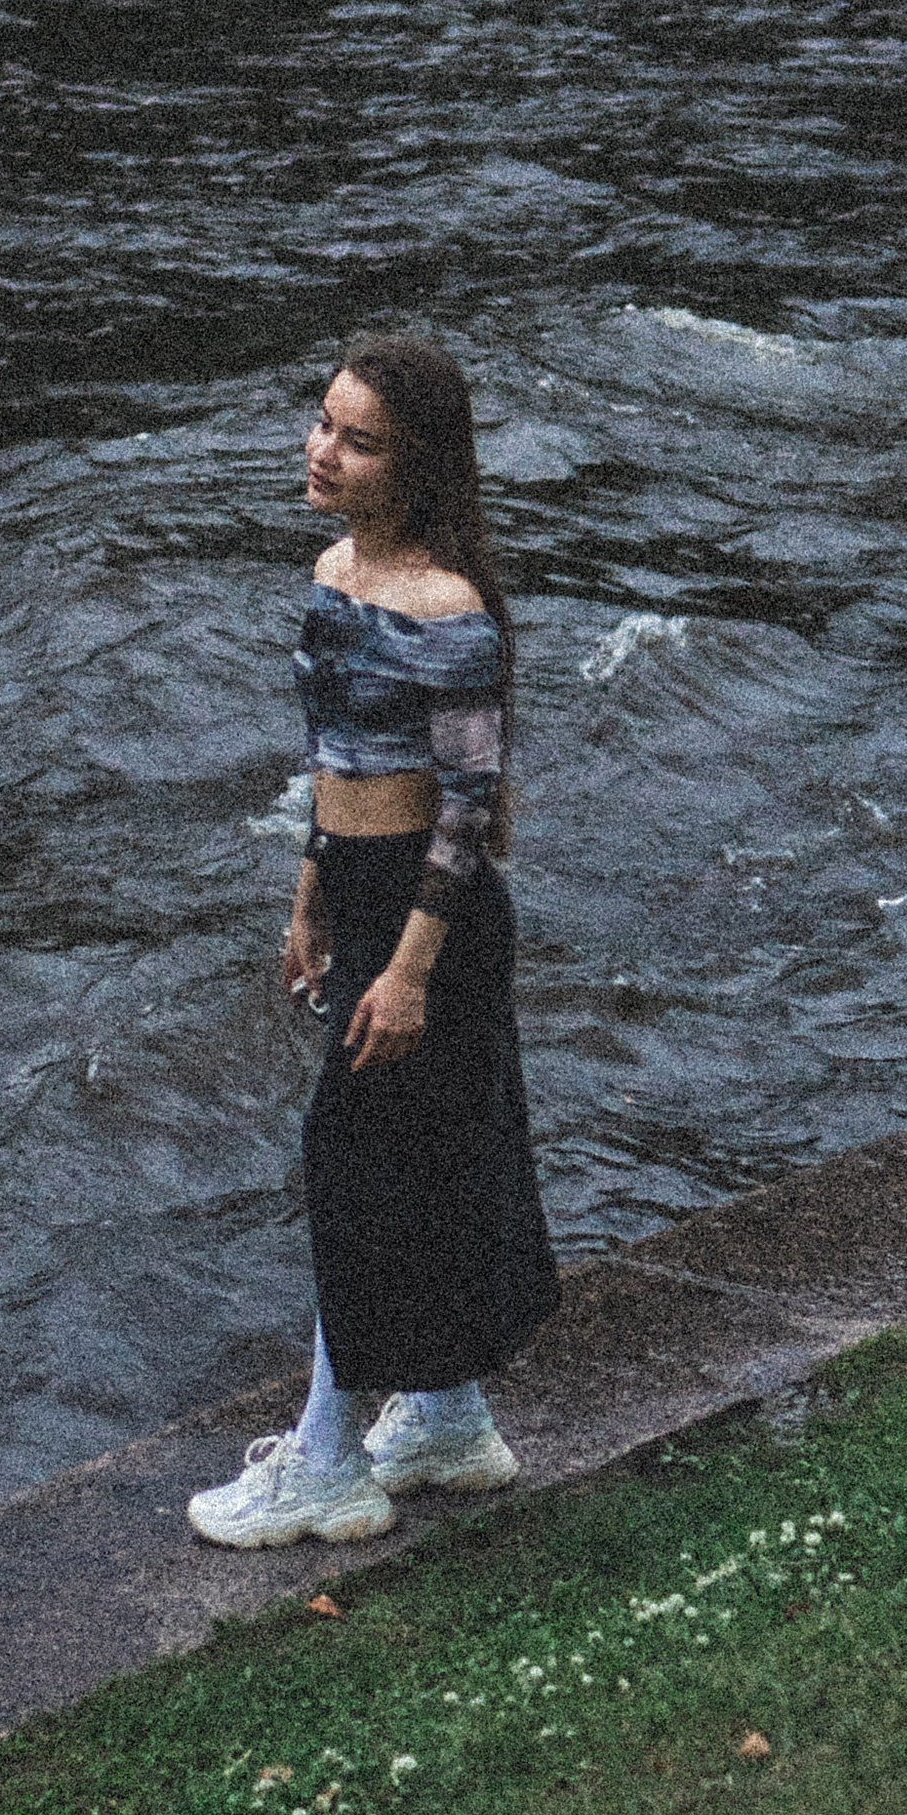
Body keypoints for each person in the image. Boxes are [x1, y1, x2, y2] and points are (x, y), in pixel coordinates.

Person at [190, 333, 559, 1547]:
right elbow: (333, 759)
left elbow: (463, 819)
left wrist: (403, 972)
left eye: (358, 438)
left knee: (352, 1174)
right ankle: (447, 1419)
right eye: (321, 423)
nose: (323, 450)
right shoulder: (333, 573)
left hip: (428, 918)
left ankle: (326, 1464)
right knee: (422, 1167)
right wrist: (308, 898)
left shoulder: (450, 613)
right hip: (356, 888)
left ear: (417, 465)